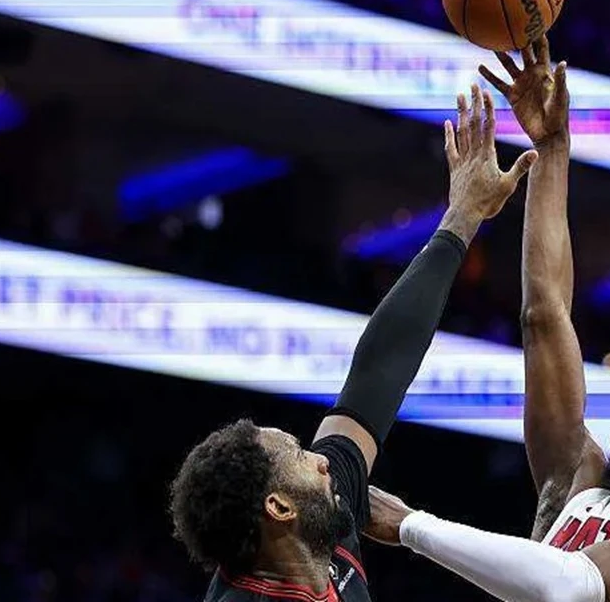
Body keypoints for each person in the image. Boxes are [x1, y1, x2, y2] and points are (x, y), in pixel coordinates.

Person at [361, 37, 610, 602]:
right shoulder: (575, 481)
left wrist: (412, 526)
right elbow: (544, 315)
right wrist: (552, 148)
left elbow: (572, 584)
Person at [167, 84, 538, 602]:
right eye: (300, 455)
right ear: (279, 507)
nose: (321, 459)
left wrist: (462, 218)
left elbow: (376, 375)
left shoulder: (318, 516)